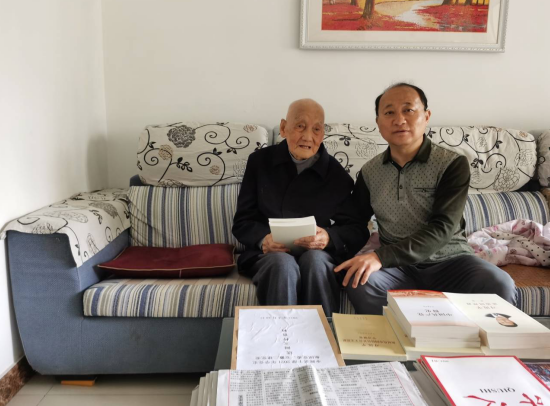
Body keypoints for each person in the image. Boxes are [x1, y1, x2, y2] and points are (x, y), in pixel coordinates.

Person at [335, 83, 516, 315]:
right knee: (360, 281)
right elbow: (354, 222)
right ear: (378, 123)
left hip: (451, 262)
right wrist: (327, 238)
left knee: (499, 283)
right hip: (397, 268)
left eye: (408, 110)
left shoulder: (451, 164)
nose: (399, 120)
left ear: (426, 116)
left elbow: (443, 227)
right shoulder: (370, 172)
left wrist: (379, 256)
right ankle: (395, 338)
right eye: (389, 112)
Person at [232, 98, 369, 316]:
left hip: (317, 253)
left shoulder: (336, 175)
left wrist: (329, 238)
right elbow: (243, 221)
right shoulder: (259, 162)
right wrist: (263, 240)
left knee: (316, 261)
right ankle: (282, 334)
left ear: (322, 134)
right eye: (300, 126)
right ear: (284, 128)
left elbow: (356, 229)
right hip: (269, 256)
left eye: (316, 129)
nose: (307, 136)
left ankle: (325, 331)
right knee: (282, 264)